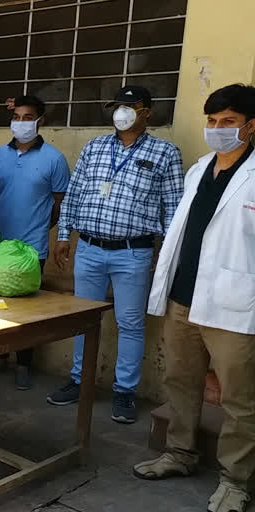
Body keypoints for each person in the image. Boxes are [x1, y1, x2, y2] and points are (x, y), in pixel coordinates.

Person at [133, 84, 255, 512]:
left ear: (251, 126)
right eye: (212, 121)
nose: (217, 129)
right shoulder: (199, 168)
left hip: (235, 304)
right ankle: (180, 454)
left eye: (229, 123)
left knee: (240, 399)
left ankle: (236, 481)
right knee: (180, 382)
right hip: (183, 297)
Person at [47, 86, 184, 424]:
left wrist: (164, 256)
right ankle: (80, 381)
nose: (121, 112)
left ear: (147, 111)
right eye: (117, 106)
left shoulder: (165, 152)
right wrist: (64, 236)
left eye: (130, 106)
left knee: (131, 323)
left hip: (132, 253)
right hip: (89, 248)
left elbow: (175, 209)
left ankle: (124, 392)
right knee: (83, 317)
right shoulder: (94, 148)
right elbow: (75, 194)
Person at [0, 95, 70, 390]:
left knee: (25, 308)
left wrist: (41, 227)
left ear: (40, 121)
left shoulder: (54, 159)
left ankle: (24, 363)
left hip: (32, 247)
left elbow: (62, 202)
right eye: (17, 117)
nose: (21, 123)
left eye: (28, 117)